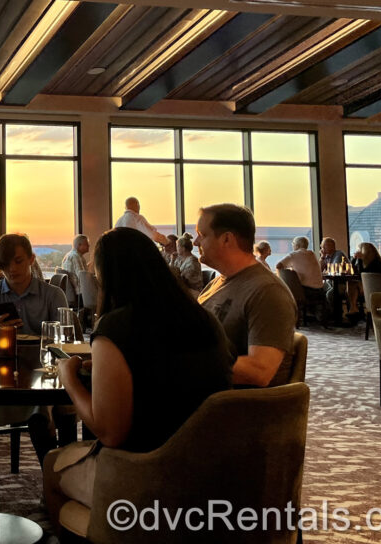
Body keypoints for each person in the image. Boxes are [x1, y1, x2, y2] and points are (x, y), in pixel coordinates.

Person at [42, 228, 232, 527]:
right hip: (210, 470)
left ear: (109, 276)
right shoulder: (204, 320)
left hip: (144, 474)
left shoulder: (116, 328)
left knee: (52, 465)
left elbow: (111, 433)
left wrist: (69, 378)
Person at [0, 233, 69, 508]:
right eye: (6, 264)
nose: (12, 269)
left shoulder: (52, 296)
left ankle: (54, 481)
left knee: (40, 409)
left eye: (19, 261)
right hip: (2, 377)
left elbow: (62, 345)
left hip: (42, 377)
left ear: (32, 260)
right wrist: (0, 332)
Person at [195, 204, 297, 388]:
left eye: (202, 235)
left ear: (227, 239)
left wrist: (180, 364)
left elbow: (259, 371)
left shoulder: (267, 292)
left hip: (229, 407)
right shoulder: (217, 282)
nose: (195, 242)